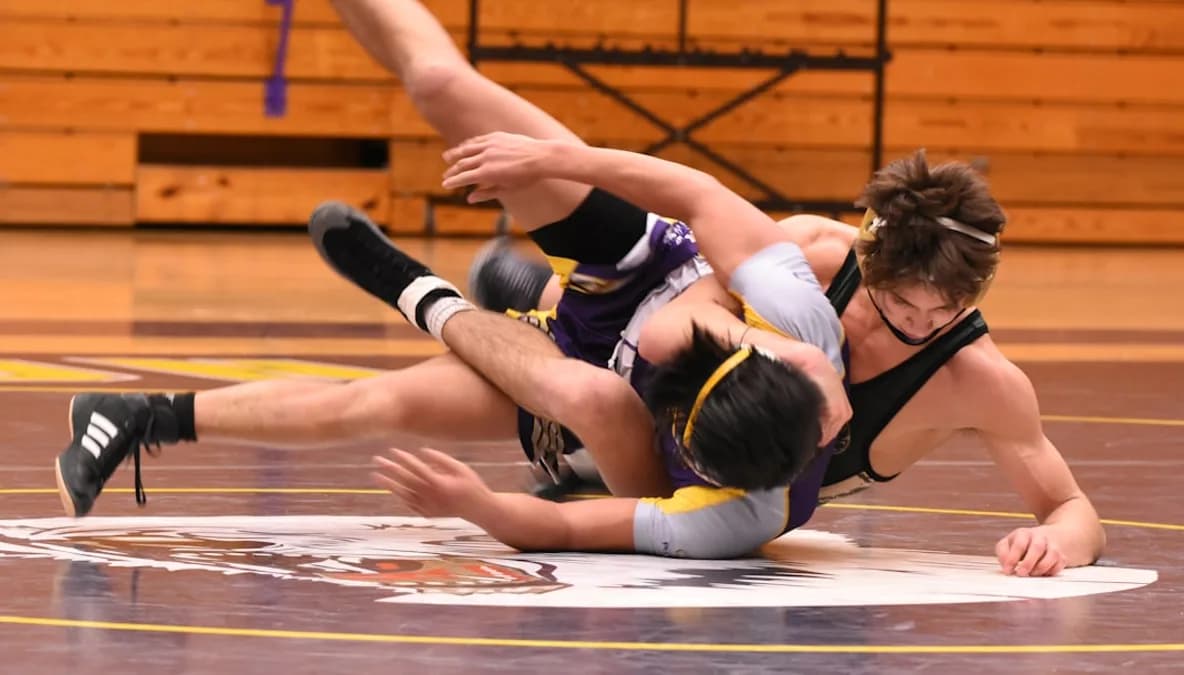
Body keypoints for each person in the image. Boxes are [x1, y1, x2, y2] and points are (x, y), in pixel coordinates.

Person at [52, 0, 850, 560]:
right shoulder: (801, 336)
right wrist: (557, 159)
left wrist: (478, 505)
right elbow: (702, 196)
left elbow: (566, 530)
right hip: (642, 269)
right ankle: (477, 292)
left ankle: (142, 414)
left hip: (589, 392)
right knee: (443, 88)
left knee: (390, 404)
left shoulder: (729, 519)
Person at [447, 137, 1107, 578]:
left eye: (946, 311)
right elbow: (672, 323)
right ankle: (531, 294)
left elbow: (1071, 507)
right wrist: (797, 357)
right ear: (870, 259)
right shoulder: (815, 255)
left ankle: (530, 304)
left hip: (728, 472)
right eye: (902, 304)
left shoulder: (981, 380)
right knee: (611, 332)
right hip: (667, 370)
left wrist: (1056, 541)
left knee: (670, 507)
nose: (920, 325)